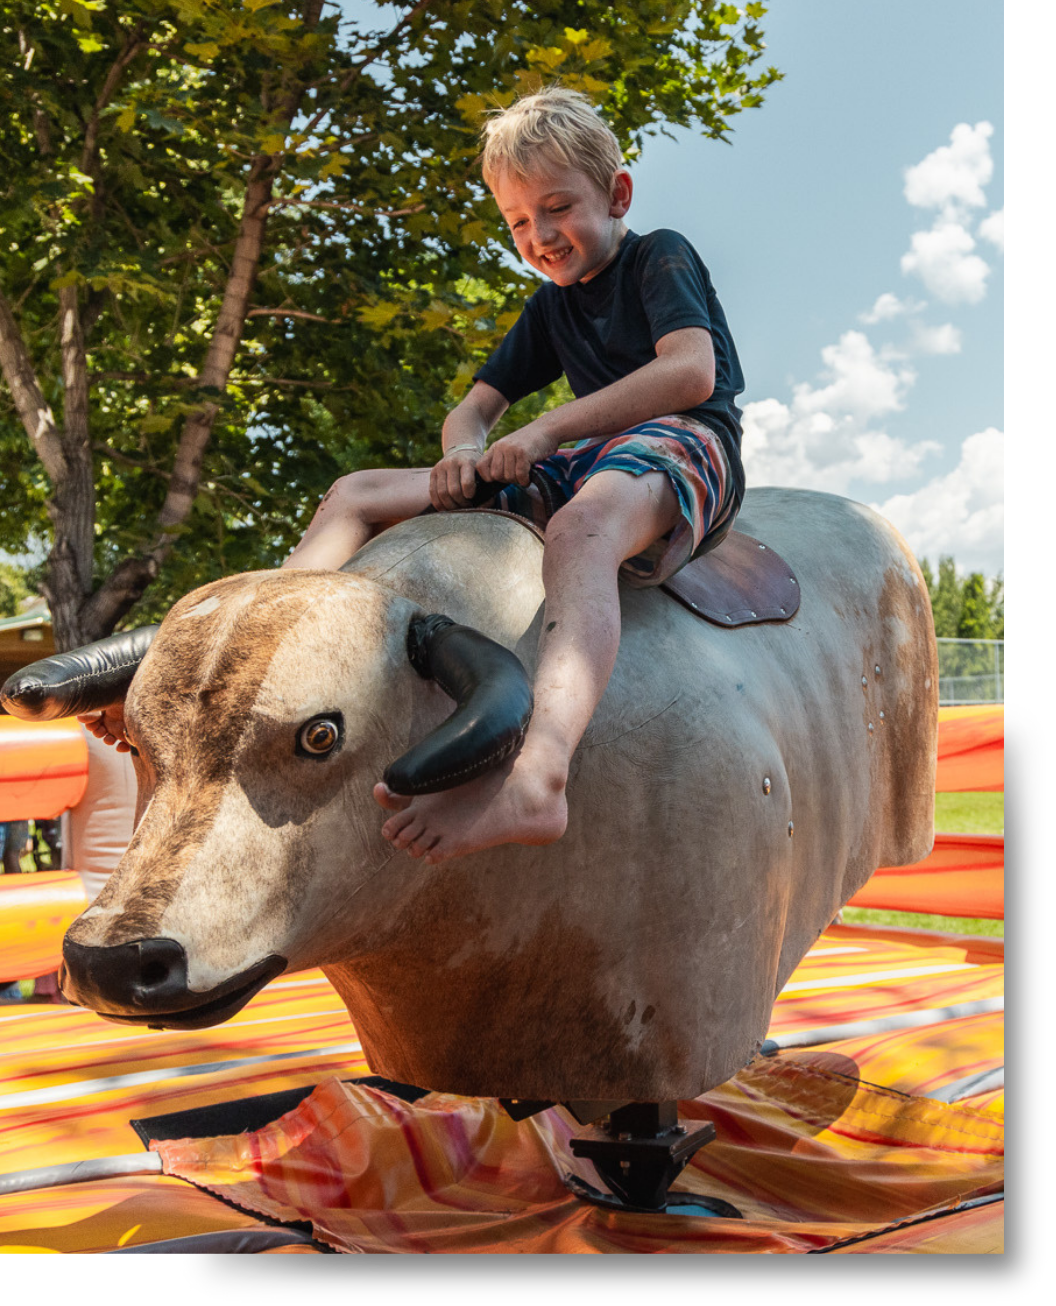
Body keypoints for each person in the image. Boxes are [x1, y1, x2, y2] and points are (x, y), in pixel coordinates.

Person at [284, 86, 746, 865]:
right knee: (357, 493)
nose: (540, 235)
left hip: (682, 444)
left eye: (557, 208)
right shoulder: (547, 308)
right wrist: (464, 456)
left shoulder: (657, 254)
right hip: (585, 457)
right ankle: (254, 654)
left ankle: (540, 775)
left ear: (618, 194)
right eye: (519, 222)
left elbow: (690, 371)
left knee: (581, 528)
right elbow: (471, 411)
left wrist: (540, 431)